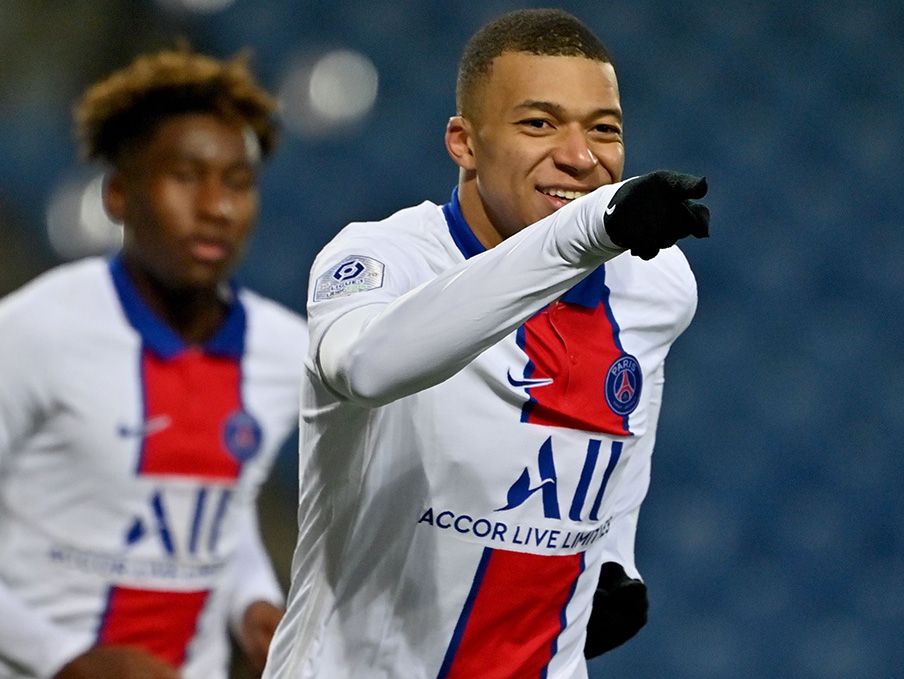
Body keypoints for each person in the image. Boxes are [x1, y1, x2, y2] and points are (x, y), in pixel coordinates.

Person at [264, 8, 710, 678]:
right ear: (464, 142)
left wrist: (617, 550)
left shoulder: (655, 283)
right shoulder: (381, 259)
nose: (580, 157)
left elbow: (631, 418)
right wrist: (583, 231)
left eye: (604, 130)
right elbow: (367, 366)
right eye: (539, 123)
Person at [0, 47, 307, 679]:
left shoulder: (285, 350)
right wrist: (63, 659)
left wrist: (252, 602)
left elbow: (221, 511)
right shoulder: (30, 331)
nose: (216, 206)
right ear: (119, 194)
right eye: (185, 176)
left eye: (237, 182)